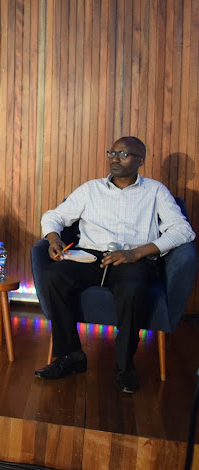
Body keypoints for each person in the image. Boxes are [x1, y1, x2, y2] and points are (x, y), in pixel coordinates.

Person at [34, 137, 195, 393]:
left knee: (133, 289)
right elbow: (54, 216)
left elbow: (183, 231)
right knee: (53, 276)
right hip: (90, 256)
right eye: (112, 152)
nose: (115, 158)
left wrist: (137, 253)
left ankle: (125, 366)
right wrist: (53, 237)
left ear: (140, 160)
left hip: (133, 259)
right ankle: (70, 355)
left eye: (123, 154)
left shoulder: (155, 191)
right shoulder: (91, 189)